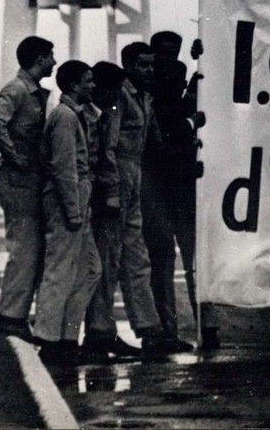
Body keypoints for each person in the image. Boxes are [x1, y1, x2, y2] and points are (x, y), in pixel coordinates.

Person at [0, 34, 55, 341]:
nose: (54, 61)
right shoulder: (17, 90)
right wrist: (16, 157)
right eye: (50, 56)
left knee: (30, 247)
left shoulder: (34, 92)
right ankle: (11, 317)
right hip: (17, 180)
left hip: (28, 179)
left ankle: (16, 314)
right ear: (39, 59)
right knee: (24, 246)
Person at [32, 60, 102, 361]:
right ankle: (49, 340)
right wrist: (73, 212)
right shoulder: (64, 117)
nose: (93, 86)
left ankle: (67, 336)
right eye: (88, 81)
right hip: (66, 201)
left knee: (89, 269)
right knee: (60, 269)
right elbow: (64, 169)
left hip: (76, 200)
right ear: (74, 85)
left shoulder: (74, 115)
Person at [109, 42, 170, 356]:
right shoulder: (120, 96)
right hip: (117, 173)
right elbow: (109, 142)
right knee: (111, 256)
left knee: (136, 254)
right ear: (129, 65)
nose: (150, 70)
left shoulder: (146, 98)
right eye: (143, 65)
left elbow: (155, 141)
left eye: (151, 65)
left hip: (135, 175)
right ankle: (101, 331)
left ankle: (149, 328)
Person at [81, 62, 142, 361]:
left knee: (108, 263)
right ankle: (98, 332)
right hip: (105, 194)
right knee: (104, 263)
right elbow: (106, 154)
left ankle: (101, 330)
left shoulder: (99, 112)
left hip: (104, 191)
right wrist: (113, 194)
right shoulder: (100, 114)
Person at [142, 31, 197, 351]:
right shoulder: (150, 103)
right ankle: (168, 330)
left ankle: (174, 328)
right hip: (162, 188)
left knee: (177, 258)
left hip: (174, 187)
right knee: (166, 258)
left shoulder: (168, 101)